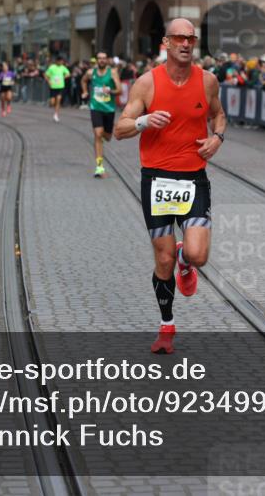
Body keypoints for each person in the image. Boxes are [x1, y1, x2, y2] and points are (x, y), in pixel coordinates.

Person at [114, 18, 226, 354]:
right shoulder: (147, 84)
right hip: (157, 180)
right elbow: (120, 129)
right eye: (179, 37)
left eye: (190, 38)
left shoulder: (208, 81)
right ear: (166, 42)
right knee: (162, 260)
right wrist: (145, 121)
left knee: (197, 254)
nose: (185, 43)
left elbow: (219, 115)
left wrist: (217, 139)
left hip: (193, 177)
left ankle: (185, 259)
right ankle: (166, 326)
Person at [81, 51, 122, 177]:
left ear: (107, 60)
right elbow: (83, 81)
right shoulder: (90, 73)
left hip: (109, 109)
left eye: (104, 58)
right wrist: (85, 92)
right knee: (98, 134)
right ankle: (99, 166)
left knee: (108, 137)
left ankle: (108, 132)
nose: (102, 60)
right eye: (100, 58)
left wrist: (111, 90)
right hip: (96, 107)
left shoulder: (113, 72)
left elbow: (119, 90)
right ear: (97, 60)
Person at [44, 56, 70, 121]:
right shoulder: (52, 67)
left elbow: (68, 74)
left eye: (62, 61)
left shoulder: (63, 67)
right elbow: (46, 75)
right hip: (53, 87)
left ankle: (56, 114)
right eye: (60, 61)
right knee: (52, 102)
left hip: (60, 86)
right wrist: (49, 81)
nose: (61, 62)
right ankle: (52, 104)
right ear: (57, 61)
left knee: (58, 100)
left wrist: (64, 77)